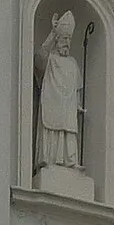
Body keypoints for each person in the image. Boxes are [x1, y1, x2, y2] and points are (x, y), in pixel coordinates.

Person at [37, 10, 84, 169]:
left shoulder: (72, 63)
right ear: (57, 40)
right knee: (53, 128)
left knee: (69, 131)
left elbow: (77, 87)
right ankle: (50, 160)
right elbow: (39, 58)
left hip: (69, 105)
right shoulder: (50, 59)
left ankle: (71, 162)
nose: (67, 42)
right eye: (64, 38)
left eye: (69, 39)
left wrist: (78, 104)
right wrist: (52, 33)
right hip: (53, 100)